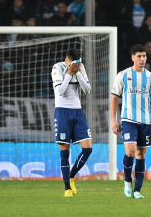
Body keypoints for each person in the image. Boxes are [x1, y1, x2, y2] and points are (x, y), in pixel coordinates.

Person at [110, 44, 151, 199]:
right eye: (139, 56)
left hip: (146, 121)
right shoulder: (123, 75)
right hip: (128, 119)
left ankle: (137, 190)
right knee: (131, 151)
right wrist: (113, 120)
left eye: (144, 56)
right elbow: (114, 97)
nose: (142, 59)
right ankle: (127, 181)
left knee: (141, 154)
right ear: (132, 57)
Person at [51, 49, 92, 197]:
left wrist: (78, 73)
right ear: (67, 61)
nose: (77, 66)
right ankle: (67, 188)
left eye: (79, 63)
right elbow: (60, 91)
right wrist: (69, 73)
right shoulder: (57, 67)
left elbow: (87, 90)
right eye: (74, 64)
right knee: (64, 151)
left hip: (77, 111)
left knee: (87, 149)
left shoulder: (80, 67)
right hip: (62, 111)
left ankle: (71, 175)